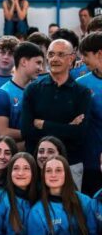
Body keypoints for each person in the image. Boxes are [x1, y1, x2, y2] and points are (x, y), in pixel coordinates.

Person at [21, 39, 91, 191]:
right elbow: (27, 131)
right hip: (37, 164)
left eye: (60, 54)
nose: (54, 59)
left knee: (70, 212)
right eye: (51, 54)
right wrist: (66, 128)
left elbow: (79, 134)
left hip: (71, 164)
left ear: (71, 58)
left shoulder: (82, 93)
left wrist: (44, 124)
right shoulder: (32, 90)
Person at [0, 42, 45, 149]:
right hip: (13, 157)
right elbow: (3, 132)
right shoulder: (4, 93)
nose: (41, 68)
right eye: (38, 63)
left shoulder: (40, 91)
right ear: (24, 62)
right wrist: (35, 134)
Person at [77, 33, 102, 194]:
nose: (83, 60)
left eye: (86, 55)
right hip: (89, 163)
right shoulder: (81, 84)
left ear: (99, 54)